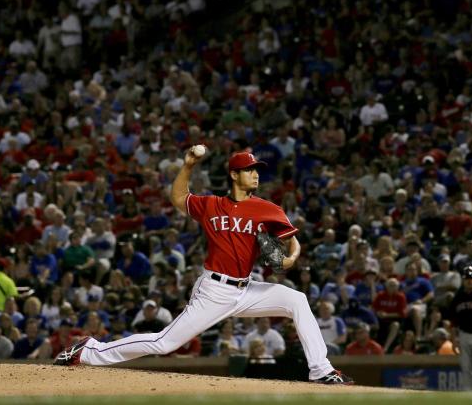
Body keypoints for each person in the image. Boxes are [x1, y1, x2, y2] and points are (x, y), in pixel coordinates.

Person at [54, 149, 352, 384]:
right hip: (214, 290)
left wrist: (291, 257)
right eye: (249, 169)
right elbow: (178, 198)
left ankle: (321, 370)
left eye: (256, 169)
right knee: (164, 343)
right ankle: (89, 350)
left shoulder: (267, 208)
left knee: (297, 300)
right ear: (234, 175)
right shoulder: (210, 205)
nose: (255, 174)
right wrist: (188, 166)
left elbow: (293, 239)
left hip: (248, 289)